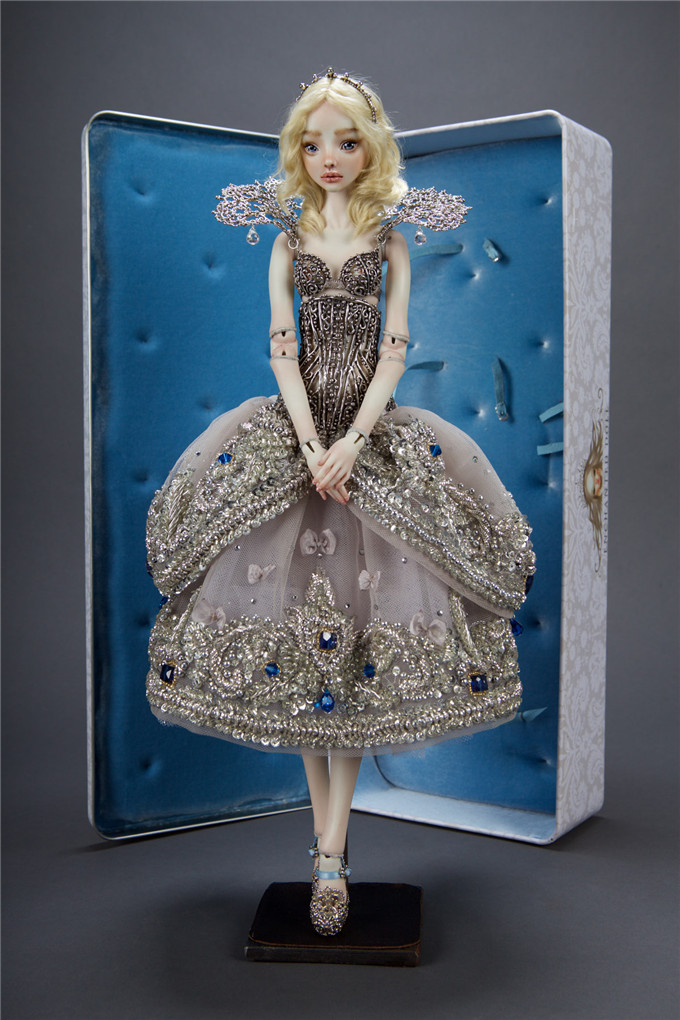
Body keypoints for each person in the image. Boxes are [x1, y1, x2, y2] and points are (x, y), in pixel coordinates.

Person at [146, 70, 535, 936]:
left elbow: (395, 352)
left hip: (370, 444)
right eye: (314, 142)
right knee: (303, 651)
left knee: (355, 654)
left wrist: (354, 441)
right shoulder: (286, 239)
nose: (330, 157)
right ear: (298, 150)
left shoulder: (390, 239)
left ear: (371, 148)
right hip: (296, 440)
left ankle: (330, 853)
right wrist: (308, 444)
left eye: (348, 141)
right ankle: (327, 850)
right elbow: (281, 351)